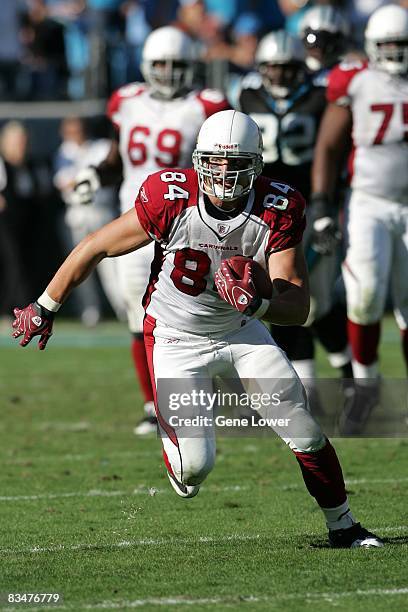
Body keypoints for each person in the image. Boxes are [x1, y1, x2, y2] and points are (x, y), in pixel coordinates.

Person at [12, 109, 383, 548]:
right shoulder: (170, 198)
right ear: (198, 161)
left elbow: (297, 304)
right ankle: (179, 451)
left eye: (237, 164)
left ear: (257, 166)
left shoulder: (277, 207)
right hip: (174, 334)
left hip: (241, 330)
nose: (224, 174)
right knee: (194, 468)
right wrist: (45, 305)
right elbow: (94, 247)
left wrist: (259, 302)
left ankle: (344, 526)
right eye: (215, 162)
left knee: (301, 426)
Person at [73, 25, 229, 434]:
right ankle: (152, 404)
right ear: (146, 65)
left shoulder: (206, 105)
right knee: (137, 316)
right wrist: (96, 173)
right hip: (136, 221)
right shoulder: (126, 101)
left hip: (188, 226)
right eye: (160, 63)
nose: (168, 71)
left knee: (198, 314)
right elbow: (116, 157)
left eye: (176, 64)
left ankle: (202, 397)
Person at [234, 30, 352, 415]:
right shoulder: (245, 95)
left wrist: (327, 204)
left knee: (315, 300)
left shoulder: (321, 95)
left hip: (309, 208)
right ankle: (305, 390)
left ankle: (347, 374)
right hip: (266, 206)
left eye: (287, 69)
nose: (280, 76)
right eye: (273, 68)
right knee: (282, 294)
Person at [311, 4, 408, 433]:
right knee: (364, 293)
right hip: (368, 199)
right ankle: (365, 388)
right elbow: (329, 146)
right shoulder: (356, 80)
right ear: (371, 46)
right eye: (387, 45)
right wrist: (320, 201)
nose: (395, 54)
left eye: (401, 45)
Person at [54, 116, 125, 326]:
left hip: (102, 211)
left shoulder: (101, 147)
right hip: (76, 213)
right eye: (71, 130)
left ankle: (123, 308)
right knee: (78, 264)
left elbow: (108, 173)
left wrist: (85, 178)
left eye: (78, 129)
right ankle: (90, 311)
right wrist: (85, 178)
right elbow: (64, 183)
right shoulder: (63, 152)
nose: (75, 134)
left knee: (112, 266)